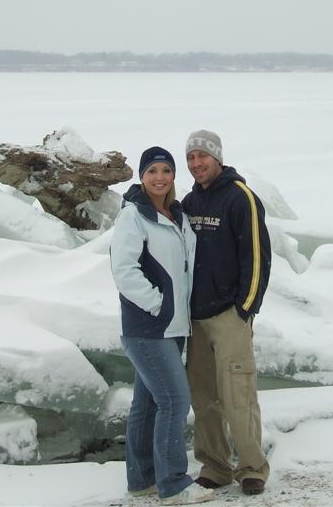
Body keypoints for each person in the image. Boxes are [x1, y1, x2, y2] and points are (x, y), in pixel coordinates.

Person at [110, 146, 214, 506]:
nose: (160, 177)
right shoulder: (133, 216)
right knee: (175, 400)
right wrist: (158, 304)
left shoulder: (176, 215)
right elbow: (124, 270)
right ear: (142, 176)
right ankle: (173, 484)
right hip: (148, 327)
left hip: (173, 326)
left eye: (166, 170)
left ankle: (142, 480)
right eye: (152, 171)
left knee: (148, 404)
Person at [182, 130, 272, 496]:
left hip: (229, 316)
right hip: (196, 318)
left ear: (217, 157)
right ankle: (215, 466)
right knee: (204, 398)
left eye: (202, 156)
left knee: (238, 394)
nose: (196, 163)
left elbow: (257, 256)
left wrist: (245, 309)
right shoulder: (190, 202)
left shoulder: (240, 197)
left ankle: (251, 468)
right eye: (190, 157)